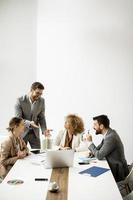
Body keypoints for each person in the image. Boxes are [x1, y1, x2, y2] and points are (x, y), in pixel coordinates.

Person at [85, 114, 129, 182]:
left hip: (118, 172)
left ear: (101, 126)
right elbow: (98, 149)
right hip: (113, 167)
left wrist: (90, 142)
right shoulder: (109, 134)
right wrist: (93, 152)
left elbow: (99, 155)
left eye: (95, 124)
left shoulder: (111, 137)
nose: (93, 127)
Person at [14, 82, 51, 149]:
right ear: (31, 90)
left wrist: (44, 130)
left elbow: (41, 117)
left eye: (41, 94)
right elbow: (18, 119)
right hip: (22, 132)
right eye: (37, 93)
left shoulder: (42, 101)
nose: (39, 95)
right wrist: (29, 123)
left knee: (38, 154)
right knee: (22, 155)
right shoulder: (20, 100)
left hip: (35, 133)